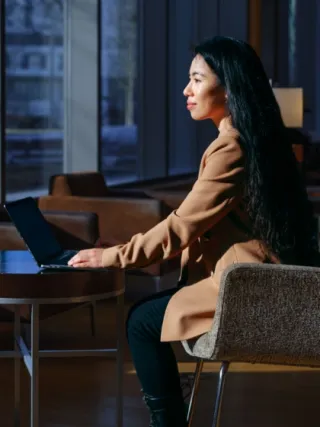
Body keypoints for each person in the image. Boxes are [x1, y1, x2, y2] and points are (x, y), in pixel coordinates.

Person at [68, 36, 319, 426]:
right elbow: (197, 228)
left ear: (229, 86)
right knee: (152, 314)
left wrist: (110, 257)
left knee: (141, 321)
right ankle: (170, 402)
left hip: (248, 287)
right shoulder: (255, 140)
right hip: (256, 279)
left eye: (197, 79)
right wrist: (124, 251)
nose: (186, 90)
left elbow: (182, 227)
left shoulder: (232, 148)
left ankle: (167, 420)